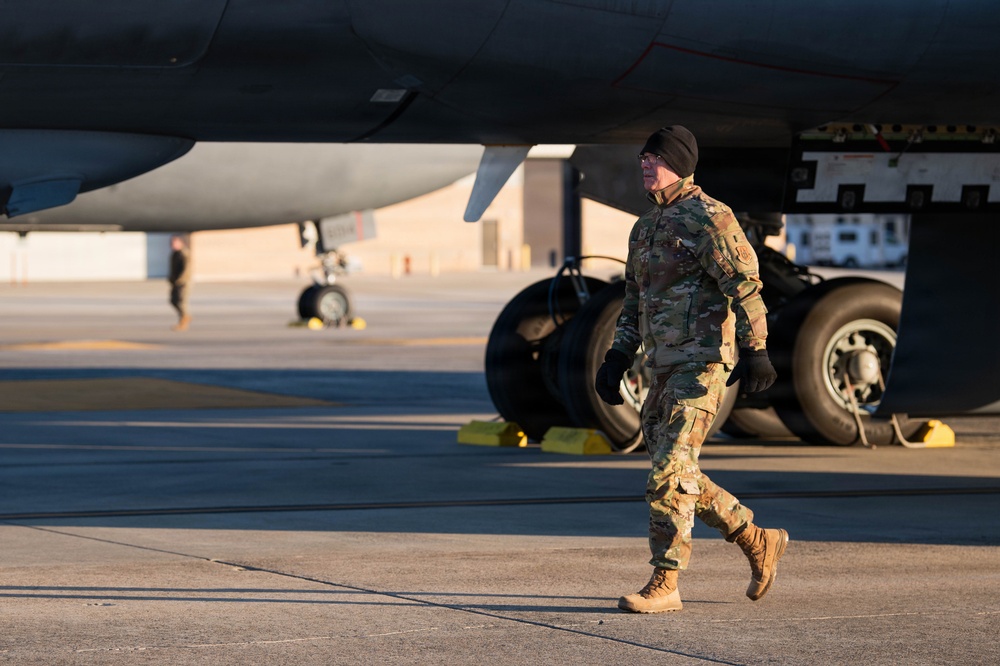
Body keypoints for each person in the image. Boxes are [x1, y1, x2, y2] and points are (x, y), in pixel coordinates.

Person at [595, 125, 787, 614]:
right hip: (660, 367)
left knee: (667, 473)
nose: (643, 164)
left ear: (678, 163)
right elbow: (634, 299)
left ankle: (666, 581)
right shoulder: (644, 227)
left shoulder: (710, 217)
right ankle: (755, 537)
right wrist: (617, 355)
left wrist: (757, 348)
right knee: (679, 472)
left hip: (701, 365)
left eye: (653, 158)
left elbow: (745, 284)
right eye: (641, 157)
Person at [168, 234, 192, 331]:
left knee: (181, 301)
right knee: (173, 300)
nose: (172, 244)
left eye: (175, 242)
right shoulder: (174, 254)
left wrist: (181, 281)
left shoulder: (184, 253)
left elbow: (187, 269)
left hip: (183, 282)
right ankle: (185, 317)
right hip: (175, 281)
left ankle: (184, 320)